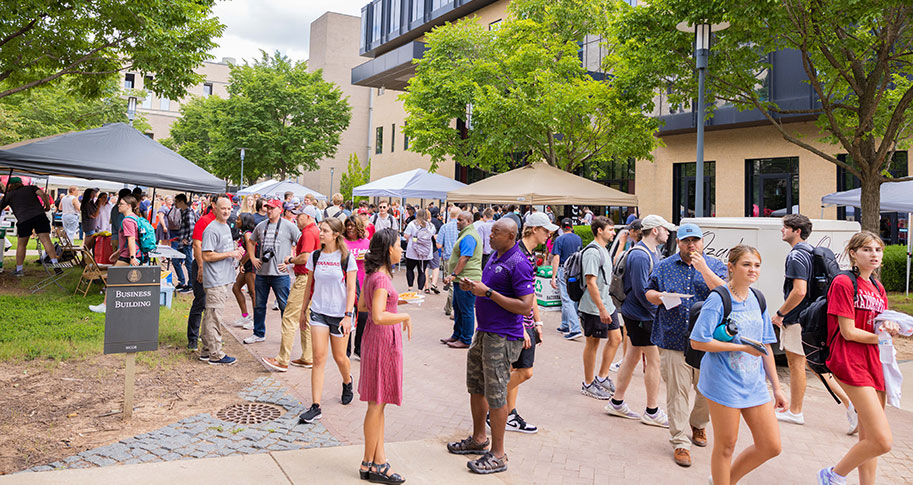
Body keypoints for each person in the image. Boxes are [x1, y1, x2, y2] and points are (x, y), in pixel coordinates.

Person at [690, 245, 786, 485]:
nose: (752, 270)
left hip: (754, 384)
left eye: (756, 265)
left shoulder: (758, 298)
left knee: (771, 445)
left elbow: (765, 346)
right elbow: (698, 341)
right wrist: (741, 348)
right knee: (726, 446)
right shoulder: (719, 298)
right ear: (731, 268)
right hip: (722, 381)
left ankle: (725, 480)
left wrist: (777, 387)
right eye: (746, 264)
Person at [446, 217, 534, 474]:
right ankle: (478, 438)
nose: (491, 236)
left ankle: (498, 454)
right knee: (476, 386)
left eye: (496, 232)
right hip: (484, 332)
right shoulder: (496, 256)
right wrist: (473, 287)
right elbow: (488, 289)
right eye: (491, 231)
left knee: (495, 392)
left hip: (503, 336)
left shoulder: (518, 262)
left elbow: (525, 305)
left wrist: (487, 293)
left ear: (510, 236)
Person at [818, 231, 899, 485]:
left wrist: (891, 329)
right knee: (882, 440)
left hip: (874, 362)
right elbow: (848, 331)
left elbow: (879, 326)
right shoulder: (843, 282)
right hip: (849, 361)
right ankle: (833, 475)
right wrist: (882, 338)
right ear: (853, 253)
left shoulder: (877, 287)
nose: (874, 254)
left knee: (869, 438)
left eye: (877, 249)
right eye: (866, 249)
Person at [644, 223, 726, 467]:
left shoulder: (715, 266)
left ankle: (698, 424)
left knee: (706, 391)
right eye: (686, 241)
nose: (691, 245)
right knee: (677, 393)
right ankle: (680, 442)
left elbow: (726, 293)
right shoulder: (664, 266)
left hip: (707, 341)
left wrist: (703, 269)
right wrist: (658, 298)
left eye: (695, 240)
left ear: (702, 242)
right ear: (678, 243)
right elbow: (648, 291)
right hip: (673, 338)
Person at [771, 214, 854, 429]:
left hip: (799, 318)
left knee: (797, 365)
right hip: (813, 316)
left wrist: (780, 313)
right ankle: (851, 405)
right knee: (815, 365)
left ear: (796, 231)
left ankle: (797, 411)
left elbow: (799, 291)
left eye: (785, 227)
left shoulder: (796, 256)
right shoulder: (811, 252)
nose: (782, 231)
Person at [606, 215, 674, 426]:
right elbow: (641, 291)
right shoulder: (642, 256)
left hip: (639, 314)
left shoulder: (649, 252)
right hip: (642, 315)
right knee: (653, 361)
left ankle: (617, 402)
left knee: (633, 357)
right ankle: (651, 411)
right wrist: (659, 309)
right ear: (655, 230)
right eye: (665, 229)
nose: (669, 233)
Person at [357, 229, 412, 484]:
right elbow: (377, 315)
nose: (401, 250)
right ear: (389, 249)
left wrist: (396, 303)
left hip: (377, 340)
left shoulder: (373, 275)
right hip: (381, 341)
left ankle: (375, 461)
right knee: (376, 404)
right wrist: (404, 315)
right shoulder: (380, 278)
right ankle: (373, 463)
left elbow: (364, 306)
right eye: (399, 245)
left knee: (378, 403)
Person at [298, 218, 358, 424]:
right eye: (320, 230)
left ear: (335, 234)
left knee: (340, 357)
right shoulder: (315, 256)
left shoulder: (346, 257)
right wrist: (303, 309)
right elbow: (309, 285)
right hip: (318, 312)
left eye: (324, 231)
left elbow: (351, 289)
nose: (320, 234)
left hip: (340, 315)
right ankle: (315, 406)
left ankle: (347, 381)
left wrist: (348, 315)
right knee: (318, 358)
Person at [500, 212, 554, 434]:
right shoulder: (519, 256)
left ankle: (508, 413)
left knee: (518, 369)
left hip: (526, 322)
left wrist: (538, 323)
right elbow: (514, 294)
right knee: (525, 371)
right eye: (545, 230)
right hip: (518, 323)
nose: (548, 234)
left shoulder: (530, 255)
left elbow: (530, 294)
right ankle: (492, 403)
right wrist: (521, 327)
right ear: (533, 229)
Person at [261, 205, 321, 372]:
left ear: (308, 217)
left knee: (289, 317)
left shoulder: (309, 232)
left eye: (299, 215)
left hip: (304, 279)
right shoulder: (315, 230)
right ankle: (307, 357)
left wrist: (290, 260)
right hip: (312, 278)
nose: (296, 218)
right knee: (306, 318)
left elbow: (305, 257)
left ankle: (282, 359)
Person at [577, 216, 623, 402]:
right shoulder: (592, 253)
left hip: (607, 303)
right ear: (599, 230)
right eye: (611, 230)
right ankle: (588, 383)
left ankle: (602, 377)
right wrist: (601, 308)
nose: (613, 233)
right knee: (593, 343)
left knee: (616, 338)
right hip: (595, 306)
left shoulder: (603, 250)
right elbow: (590, 282)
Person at [245, 198, 301, 344]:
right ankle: (258, 333)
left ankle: (287, 336)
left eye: (272, 208)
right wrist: (252, 258)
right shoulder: (261, 226)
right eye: (267, 208)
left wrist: (292, 260)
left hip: (280, 274)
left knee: (284, 306)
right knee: (259, 305)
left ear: (280, 210)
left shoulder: (289, 226)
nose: (269, 211)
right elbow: (251, 241)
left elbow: (301, 243)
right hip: (262, 272)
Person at [199, 195, 242, 365]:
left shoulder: (225, 226)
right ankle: (216, 355)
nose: (226, 211)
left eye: (228, 208)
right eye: (223, 208)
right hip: (215, 280)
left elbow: (222, 250)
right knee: (214, 316)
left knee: (210, 315)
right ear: (214, 208)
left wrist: (234, 253)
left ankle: (206, 350)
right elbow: (207, 255)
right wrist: (230, 253)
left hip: (222, 278)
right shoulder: (212, 229)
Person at [89, 195, 145, 313]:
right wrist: (118, 252)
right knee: (127, 281)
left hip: (129, 256)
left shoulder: (127, 220)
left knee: (113, 279)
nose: (118, 206)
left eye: (121, 204)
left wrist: (132, 257)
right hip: (131, 254)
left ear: (129, 206)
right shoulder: (135, 218)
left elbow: (131, 240)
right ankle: (126, 305)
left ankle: (105, 306)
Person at [0, 177, 60, 276]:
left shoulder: (9, 195)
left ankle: (19, 270)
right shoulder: (31, 188)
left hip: (24, 220)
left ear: (10, 185)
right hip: (39, 216)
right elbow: (43, 194)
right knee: (46, 240)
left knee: (22, 245)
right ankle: (55, 265)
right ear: (20, 183)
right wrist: (47, 206)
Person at [441, 211, 483, 349]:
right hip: (461, 279)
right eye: (457, 220)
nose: (457, 222)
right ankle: (457, 334)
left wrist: (453, 274)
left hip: (466, 279)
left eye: (461, 220)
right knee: (458, 308)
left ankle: (465, 339)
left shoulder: (469, 236)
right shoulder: (466, 234)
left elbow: (465, 257)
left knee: (465, 309)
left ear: (469, 222)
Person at [343, 216, 371, 359]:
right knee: (348, 315)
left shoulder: (366, 242)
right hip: (346, 284)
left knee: (363, 316)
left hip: (362, 281)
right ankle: (346, 350)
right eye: (347, 225)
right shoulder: (341, 242)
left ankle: (358, 348)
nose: (349, 228)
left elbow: (372, 261)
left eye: (353, 225)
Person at [551, 218, 583, 338]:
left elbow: (556, 258)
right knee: (572, 298)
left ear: (562, 227)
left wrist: (553, 276)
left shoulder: (559, 239)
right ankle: (565, 324)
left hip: (563, 269)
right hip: (575, 271)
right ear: (572, 226)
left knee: (566, 299)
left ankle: (575, 328)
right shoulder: (578, 238)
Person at [230, 213, 258, 330]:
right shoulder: (244, 234)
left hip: (251, 266)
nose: (236, 221)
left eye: (239, 219)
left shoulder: (248, 234)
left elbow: (251, 250)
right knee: (236, 288)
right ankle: (245, 315)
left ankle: (257, 321)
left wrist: (242, 262)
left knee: (253, 294)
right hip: (246, 265)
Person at [403, 208, 436, 293]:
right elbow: (432, 235)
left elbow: (406, 236)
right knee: (422, 271)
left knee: (410, 269)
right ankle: (419, 290)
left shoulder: (412, 224)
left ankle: (410, 287)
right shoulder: (431, 226)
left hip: (412, 251)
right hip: (425, 252)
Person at [437, 206, 461, 317]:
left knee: (451, 284)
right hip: (461, 258)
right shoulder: (462, 228)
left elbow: (438, 245)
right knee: (456, 284)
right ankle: (449, 307)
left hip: (448, 258)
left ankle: (450, 308)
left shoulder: (445, 227)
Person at [173, 194, 197, 292]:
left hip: (186, 244)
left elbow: (192, 227)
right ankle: (182, 282)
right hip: (182, 242)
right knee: (175, 261)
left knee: (188, 263)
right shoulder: (184, 212)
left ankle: (191, 285)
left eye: (176, 201)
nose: (175, 204)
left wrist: (188, 240)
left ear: (181, 202)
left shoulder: (188, 213)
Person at [426, 206, 444, 294]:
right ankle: (433, 284)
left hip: (424, 248)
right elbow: (438, 237)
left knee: (425, 267)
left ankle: (426, 287)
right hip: (434, 248)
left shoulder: (425, 221)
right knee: (435, 267)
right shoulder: (438, 223)